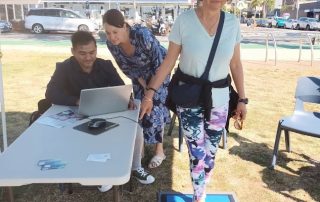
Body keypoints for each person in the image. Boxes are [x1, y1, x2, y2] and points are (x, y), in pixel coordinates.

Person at [140, 1, 247, 201]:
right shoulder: (184, 21)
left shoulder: (232, 23)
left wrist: (242, 99)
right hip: (189, 99)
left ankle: (201, 188)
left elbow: (235, 64)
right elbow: (169, 62)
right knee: (197, 154)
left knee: (210, 155)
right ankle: (200, 196)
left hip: (219, 99)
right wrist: (149, 93)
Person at [45, 31, 155, 192]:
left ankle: (135, 167)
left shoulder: (105, 65)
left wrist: (128, 99)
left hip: (107, 113)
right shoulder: (64, 68)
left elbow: (119, 86)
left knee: (136, 130)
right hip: (78, 116)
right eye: (82, 53)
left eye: (92, 52)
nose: (88, 57)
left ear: (96, 49)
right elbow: (51, 93)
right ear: (73, 51)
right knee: (93, 135)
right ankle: (100, 173)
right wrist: (76, 101)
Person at [102, 9, 170, 169]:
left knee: (155, 108)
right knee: (139, 109)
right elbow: (126, 68)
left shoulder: (142, 35)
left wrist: (151, 91)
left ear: (124, 26)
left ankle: (159, 151)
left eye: (115, 31)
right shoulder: (112, 45)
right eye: (107, 32)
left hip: (159, 71)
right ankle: (141, 148)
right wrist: (144, 86)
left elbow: (159, 64)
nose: (112, 37)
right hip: (139, 76)